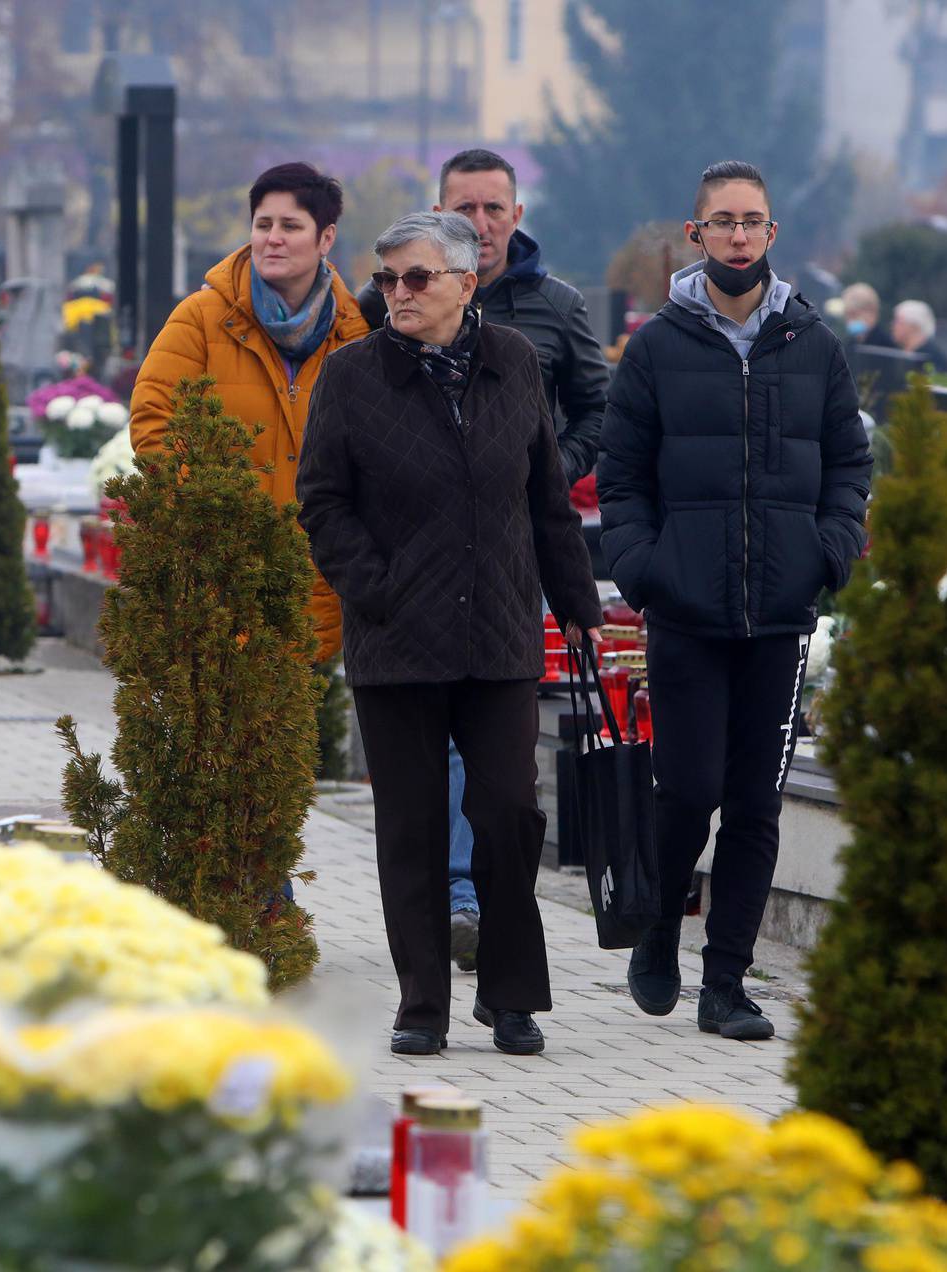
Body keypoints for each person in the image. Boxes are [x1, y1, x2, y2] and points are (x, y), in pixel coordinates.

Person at [297, 212, 602, 1057]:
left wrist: (579, 605)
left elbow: (546, 498)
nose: (398, 293)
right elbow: (321, 500)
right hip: (397, 641)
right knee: (412, 826)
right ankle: (421, 1002)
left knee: (508, 814)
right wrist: (378, 589)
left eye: (417, 278)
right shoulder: (353, 376)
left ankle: (511, 997)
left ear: (467, 284)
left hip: (499, 631)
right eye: (388, 278)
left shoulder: (514, 364)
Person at [597, 161, 872, 1042]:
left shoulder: (815, 345)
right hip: (686, 610)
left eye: (753, 221)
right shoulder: (658, 349)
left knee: (756, 802)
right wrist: (645, 567)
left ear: (772, 235)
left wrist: (827, 556)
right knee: (687, 792)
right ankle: (657, 934)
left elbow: (849, 467)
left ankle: (726, 981)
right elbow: (623, 477)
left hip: (781, 615)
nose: (740, 236)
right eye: (724, 222)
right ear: (698, 234)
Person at [358, 148, 610, 974]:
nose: (480, 221)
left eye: (493, 208)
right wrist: (371, 580)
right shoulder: (380, 316)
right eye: (462, 207)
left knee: (507, 792)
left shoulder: (550, 313)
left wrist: (556, 466)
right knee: (427, 787)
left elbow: (584, 420)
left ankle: (504, 968)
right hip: (411, 593)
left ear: (515, 218)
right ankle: (445, 935)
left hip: (503, 577)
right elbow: (336, 475)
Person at [131, 161, 370, 664]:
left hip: (313, 581)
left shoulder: (353, 332)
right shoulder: (202, 318)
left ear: (325, 238)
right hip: (219, 575)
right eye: (263, 225)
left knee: (300, 736)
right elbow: (154, 421)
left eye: (290, 226)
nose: (273, 239)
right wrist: (207, 515)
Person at [890, 299, 947, 379]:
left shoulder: (930, 358)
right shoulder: (900, 352)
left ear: (913, 326)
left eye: (898, 321)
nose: (893, 326)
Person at [837, 282, 893, 349]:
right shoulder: (848, 344)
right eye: (847, 315)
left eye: (854, 314)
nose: (850, 320)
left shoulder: (886, 346)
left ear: (871, 311)